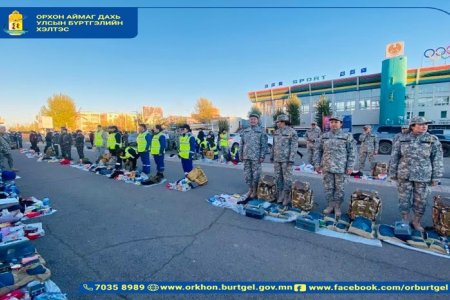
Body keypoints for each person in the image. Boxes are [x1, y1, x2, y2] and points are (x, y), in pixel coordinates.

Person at [389, 116, 444, 232]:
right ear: (412, 126)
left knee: (421, 201)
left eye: (426, 124)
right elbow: (395, 156)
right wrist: (392, 172)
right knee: (403, 199)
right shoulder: (402, 139)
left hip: (423, 176)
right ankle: (405, 220)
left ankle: (416, 222)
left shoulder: (432, 139)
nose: (424, 126)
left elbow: (437, 159)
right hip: (404, 174)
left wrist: (436, 176)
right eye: (420, 124)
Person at [314, 115, 355, 217]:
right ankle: (330, 205)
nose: (333, 124)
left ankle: (337, 206)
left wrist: (350, 166)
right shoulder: (324, 136)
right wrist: (317, 164)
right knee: (328, 188)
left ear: (341, 124)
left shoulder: (347, 136)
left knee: (339, 189)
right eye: (331, 122)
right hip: (327, 167)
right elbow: (318, 150)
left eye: (336, 122)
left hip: (341, 168)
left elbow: (352, 152)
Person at [238, 113, 268, 204]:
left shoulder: (261, 131)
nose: (252, 120)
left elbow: (264, 145)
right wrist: (240, 155)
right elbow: (241, 144)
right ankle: (250, 189)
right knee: (247, 175)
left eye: (254, 119)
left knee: (256, 175)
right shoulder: (245, 131)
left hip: (256, 157)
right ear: (249, 120)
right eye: (251, 119)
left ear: (257, 120)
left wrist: (262, 156)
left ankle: (255, 191)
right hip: (246, 156)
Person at [271, 114, 298, 207]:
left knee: (287, 179)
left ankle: (287, 196)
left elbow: (294, 147)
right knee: (278, 177)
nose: (277, 124)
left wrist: (291, 159)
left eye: (278, 122)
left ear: (283, 122)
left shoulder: (292, 132)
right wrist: (272, 156)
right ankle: (280, 194)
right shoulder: (276, 132)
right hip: (277, 159)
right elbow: (274, 145)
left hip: (286, 160)